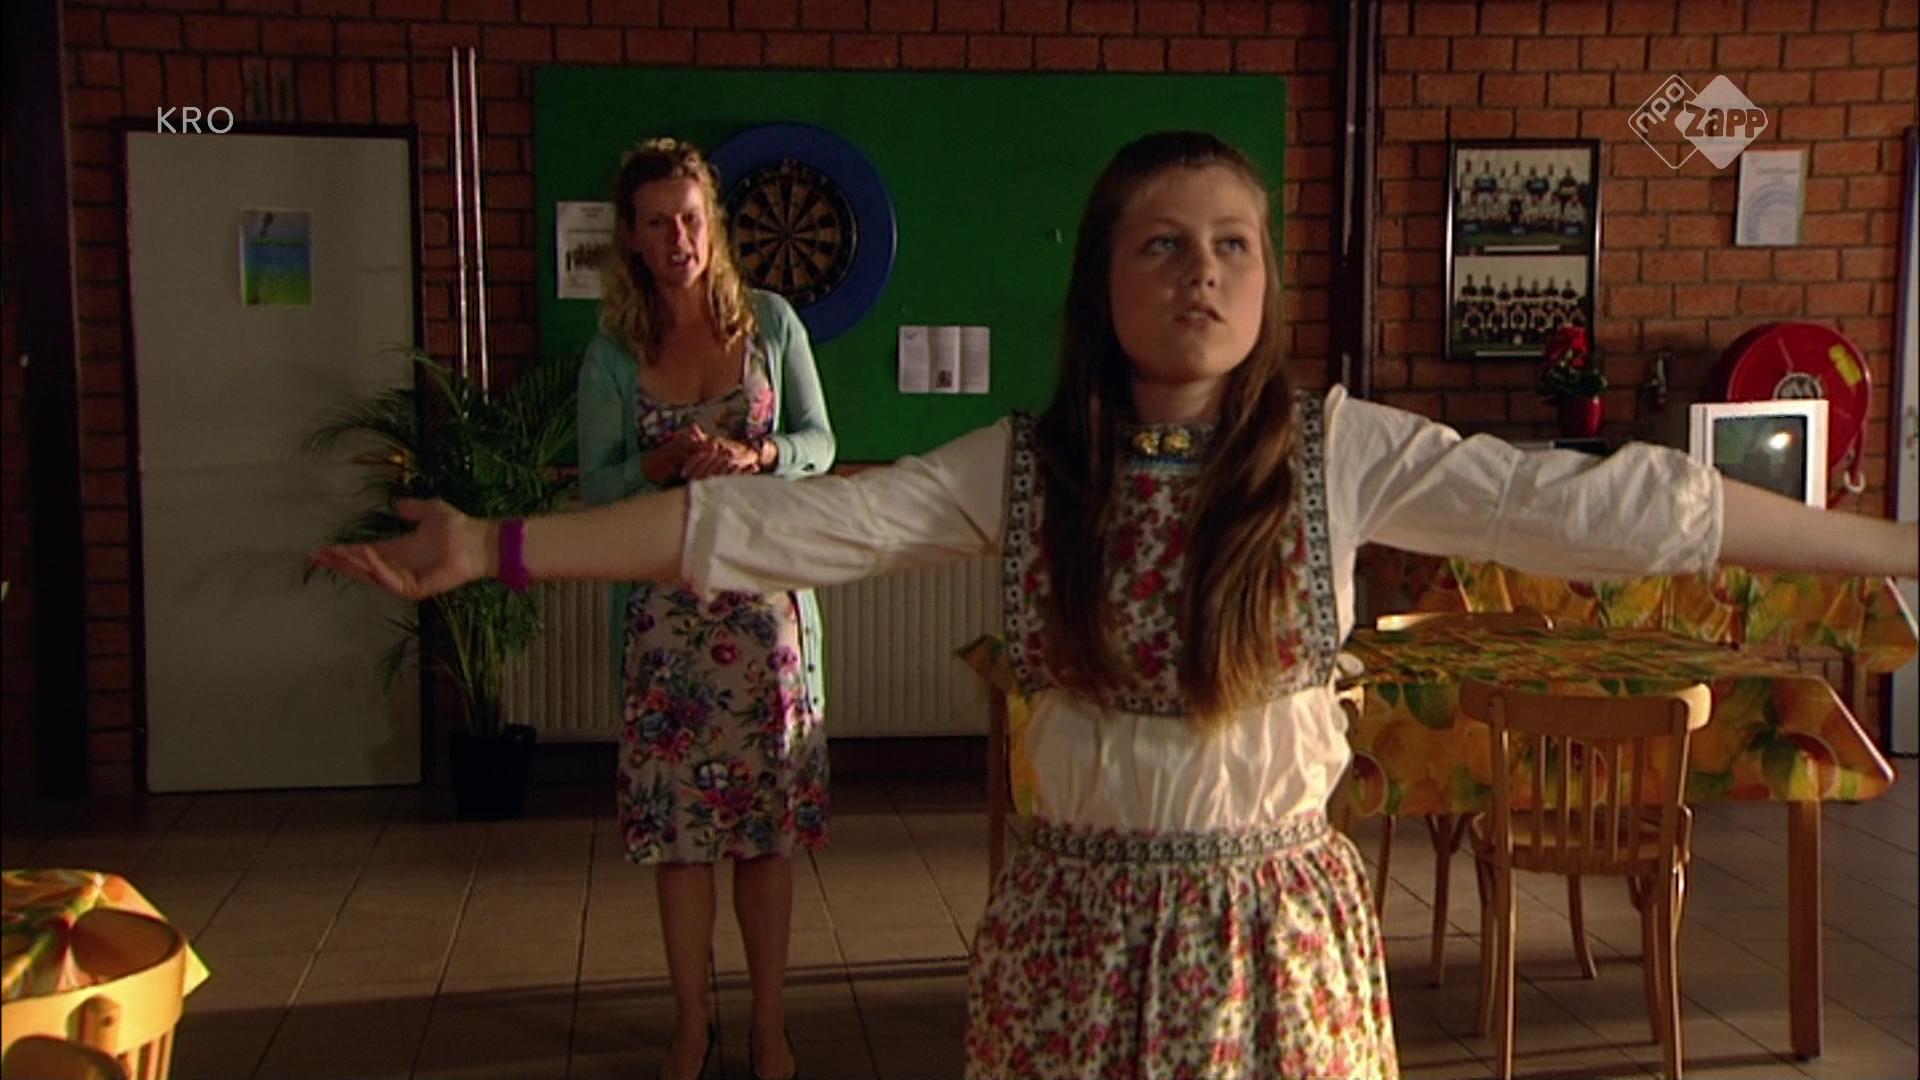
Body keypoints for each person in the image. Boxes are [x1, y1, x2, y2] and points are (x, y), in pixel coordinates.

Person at [317, 132, 1920, 1079]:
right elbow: (766, 526)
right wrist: (496, 548)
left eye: (1232, 245)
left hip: (1277, 946)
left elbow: (1620, 509)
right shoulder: (1022, 472)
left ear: (1267, 281)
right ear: (1101, 281)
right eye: (1161, 245)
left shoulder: (1341, 455)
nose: (1200, 273)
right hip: (1069, 941)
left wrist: (1899, 549)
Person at [577, 137, 835, 1080]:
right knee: (679, 843)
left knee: (765, 839)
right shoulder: (614, 352)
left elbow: (820, 443)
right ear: (632, 239)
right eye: (657, 224)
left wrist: (758, 455)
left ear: (712, 225)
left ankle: (769, 1024)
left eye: (689, 219)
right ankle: (692, 1026)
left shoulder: (771, 322)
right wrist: (657, 464)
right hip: (666, 629)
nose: (677, 239)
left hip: (764, 624)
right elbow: (596, 493)